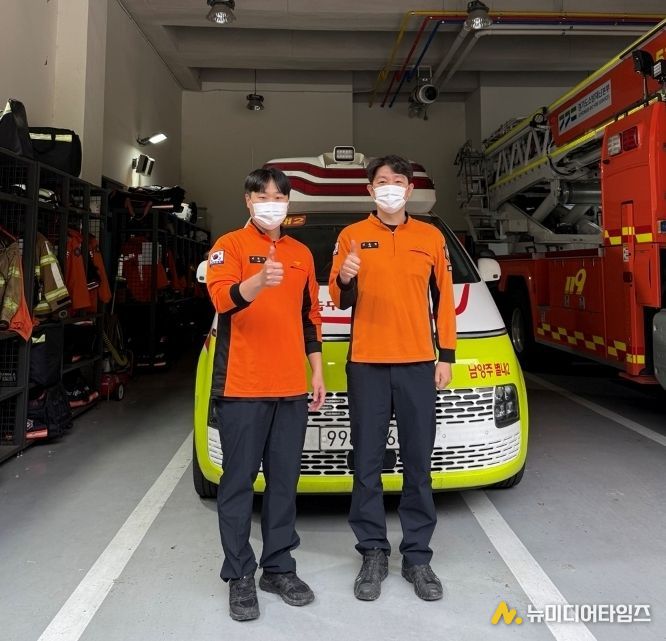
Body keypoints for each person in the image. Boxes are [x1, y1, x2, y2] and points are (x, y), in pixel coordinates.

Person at [329, 154, 456, 602]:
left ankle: (417, 556)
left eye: (397, 181)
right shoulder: (351, 236)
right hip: (366, 363)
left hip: (418, 363)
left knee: (418, 463)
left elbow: (444, 298)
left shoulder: (430, 237)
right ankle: (373, 552)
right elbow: (339, 299)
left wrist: (446, 356)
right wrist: (345, 278)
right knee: (367, 463)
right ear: (369, 190)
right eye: (381, 181)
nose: (389, 187)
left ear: (409, 189)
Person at [206, 167, 325, 621]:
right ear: (248, 201)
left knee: (284, 483)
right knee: (237, 483)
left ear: (288, 203)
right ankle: (240, 574)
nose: (271, 203)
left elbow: (310, 318)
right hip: (242, 387)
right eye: (263, 196)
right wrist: (258, 281)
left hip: (291, 388)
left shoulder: (301, 254)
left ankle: (278, 567)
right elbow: (221, 299)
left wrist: (317, 372)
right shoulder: (229, 246)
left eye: (279, 196)